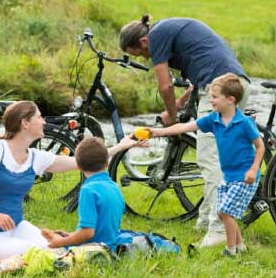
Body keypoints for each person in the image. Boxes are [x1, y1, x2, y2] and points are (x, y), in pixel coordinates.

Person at [119, 15, 251, 248]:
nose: (147, 58)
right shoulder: (171, 29)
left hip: (218, 89)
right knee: (222, 159)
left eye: (141, 54)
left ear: (143, 41)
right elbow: (195, 80)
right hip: (234, 83)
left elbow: (164, 85)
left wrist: (170, 114)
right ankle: (205, 219)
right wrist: (179, 104)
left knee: (209, 160)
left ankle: (219, 229)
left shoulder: (156, 35)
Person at [0, 101, 140, 260]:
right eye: (40, 117)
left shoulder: (35, 157)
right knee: (34, 252)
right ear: (25, 123)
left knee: (57, 249)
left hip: (16, 227)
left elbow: (86, 160)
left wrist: (121, 146)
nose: (44, 122)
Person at [144, 74, 263, 256]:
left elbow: (260, 146)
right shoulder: (213, 119)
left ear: (230, 100)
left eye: (215, 97)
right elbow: (184, 128)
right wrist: (157, 132)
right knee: (224, 212)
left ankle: (230, 250)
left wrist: (254, 169)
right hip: (228, 176)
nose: (211, 101)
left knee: (225, 211)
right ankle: (241, 247)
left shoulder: (244, 123)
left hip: (245, 176)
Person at [41, 137, 126, 251]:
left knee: (39, 246)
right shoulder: (114, 186)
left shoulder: (88, 190)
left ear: (79, 167)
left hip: (93, 249)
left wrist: (61, 242)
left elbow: (87, 233)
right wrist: (71, 235)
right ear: (106, 163)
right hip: (111, 244)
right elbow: (102, 225)